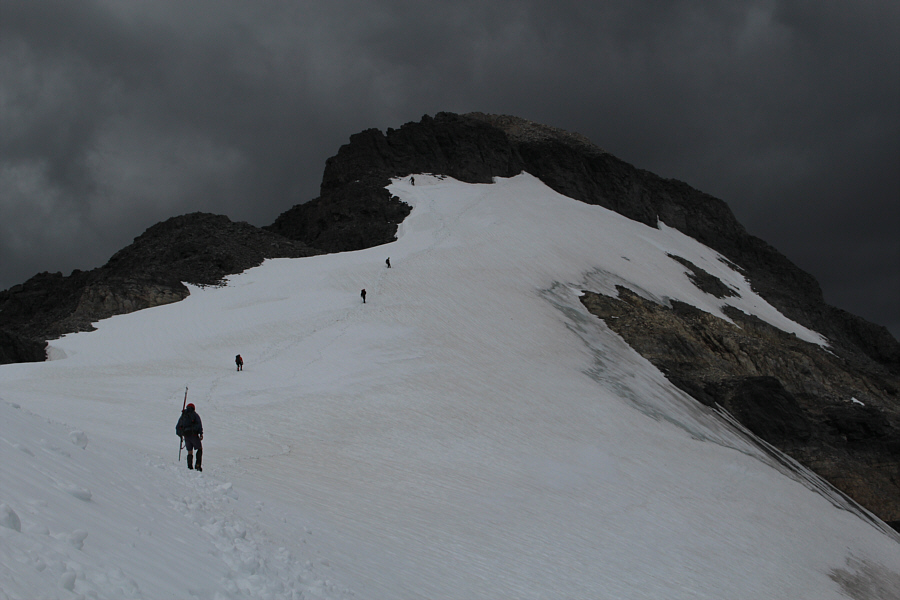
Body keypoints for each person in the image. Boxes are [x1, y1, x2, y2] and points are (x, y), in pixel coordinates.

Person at [176, 403, 203, 471]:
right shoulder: (195, 415)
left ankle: (190, 466)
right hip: (194, 435)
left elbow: (178, 427)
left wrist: (180, 435)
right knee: (199, 448)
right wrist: (201, 433)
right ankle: (198, 465)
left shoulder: (183, 415)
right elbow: (199, 424)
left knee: (189, 451)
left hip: (186, 436)